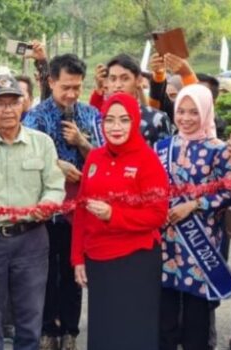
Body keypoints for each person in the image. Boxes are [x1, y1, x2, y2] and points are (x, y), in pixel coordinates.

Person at [0, 75, 65, 350]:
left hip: (31, 239)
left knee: (30, 319)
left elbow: (55, 186)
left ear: (23, 105)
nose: (7, 110)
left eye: (12, 102)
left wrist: (48, 203)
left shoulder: (42, 143)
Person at [70, 93, 169, 350]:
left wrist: (114, 215)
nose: (116, 127)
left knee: (133, 331)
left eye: (124, 120)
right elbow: (81, 210)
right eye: (109, 120)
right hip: (98, 260)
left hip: (135, 260)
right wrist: (77, 257)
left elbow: (157, 214)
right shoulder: (94, 157)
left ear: (135, 121)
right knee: (104, 329)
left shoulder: (147, 160)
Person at [22, 53, 103, 350]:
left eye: (76, 87)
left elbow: (106, 160)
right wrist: (56, 164)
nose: (71, 94)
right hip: (46, 208)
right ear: (51, 81)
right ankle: (47, 329)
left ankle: (70, 330)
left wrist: (82, 143)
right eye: (65, 87)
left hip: (81, 208)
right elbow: (26, 158)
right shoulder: (36, 116)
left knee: (74, 270)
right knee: (46, 270)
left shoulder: (92, 115)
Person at [155, 84, 231, 350]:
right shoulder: (162, 147)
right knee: (165, 311)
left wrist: (193, 205)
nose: (186, 118)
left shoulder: (218, 149)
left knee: (196, 317)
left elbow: (228, 192)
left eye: (194, 112)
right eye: (181, 111)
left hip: (199, 242)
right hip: (166, 241)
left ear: (205, 112)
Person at [107, 54, 174, 147]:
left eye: (125, 79)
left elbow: (163, 158)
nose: (117, 85)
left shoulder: (156, 119)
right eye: (113, 79)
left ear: (138, 80)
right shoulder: (100, 120)